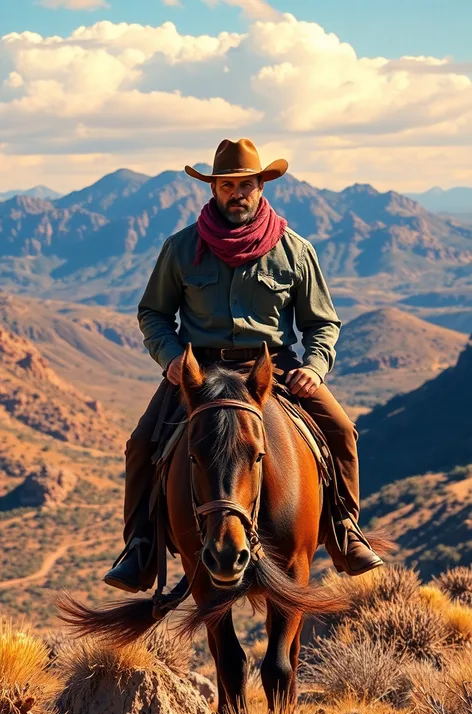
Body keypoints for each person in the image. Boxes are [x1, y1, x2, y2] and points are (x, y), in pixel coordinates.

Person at [103, 138, 383, 593]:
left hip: (271, 368)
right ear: (213, 190)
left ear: (261, 186)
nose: (237, 193)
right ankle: (139, 549)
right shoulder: (181, 248)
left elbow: (322, 322)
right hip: (199, 372)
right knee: (140, 444)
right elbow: (153, 313)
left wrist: (313, 366)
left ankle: (345, 531)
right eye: (228, 185)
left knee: (342, 431)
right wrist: (172, 358)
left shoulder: (294, 250)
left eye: (246, 184)